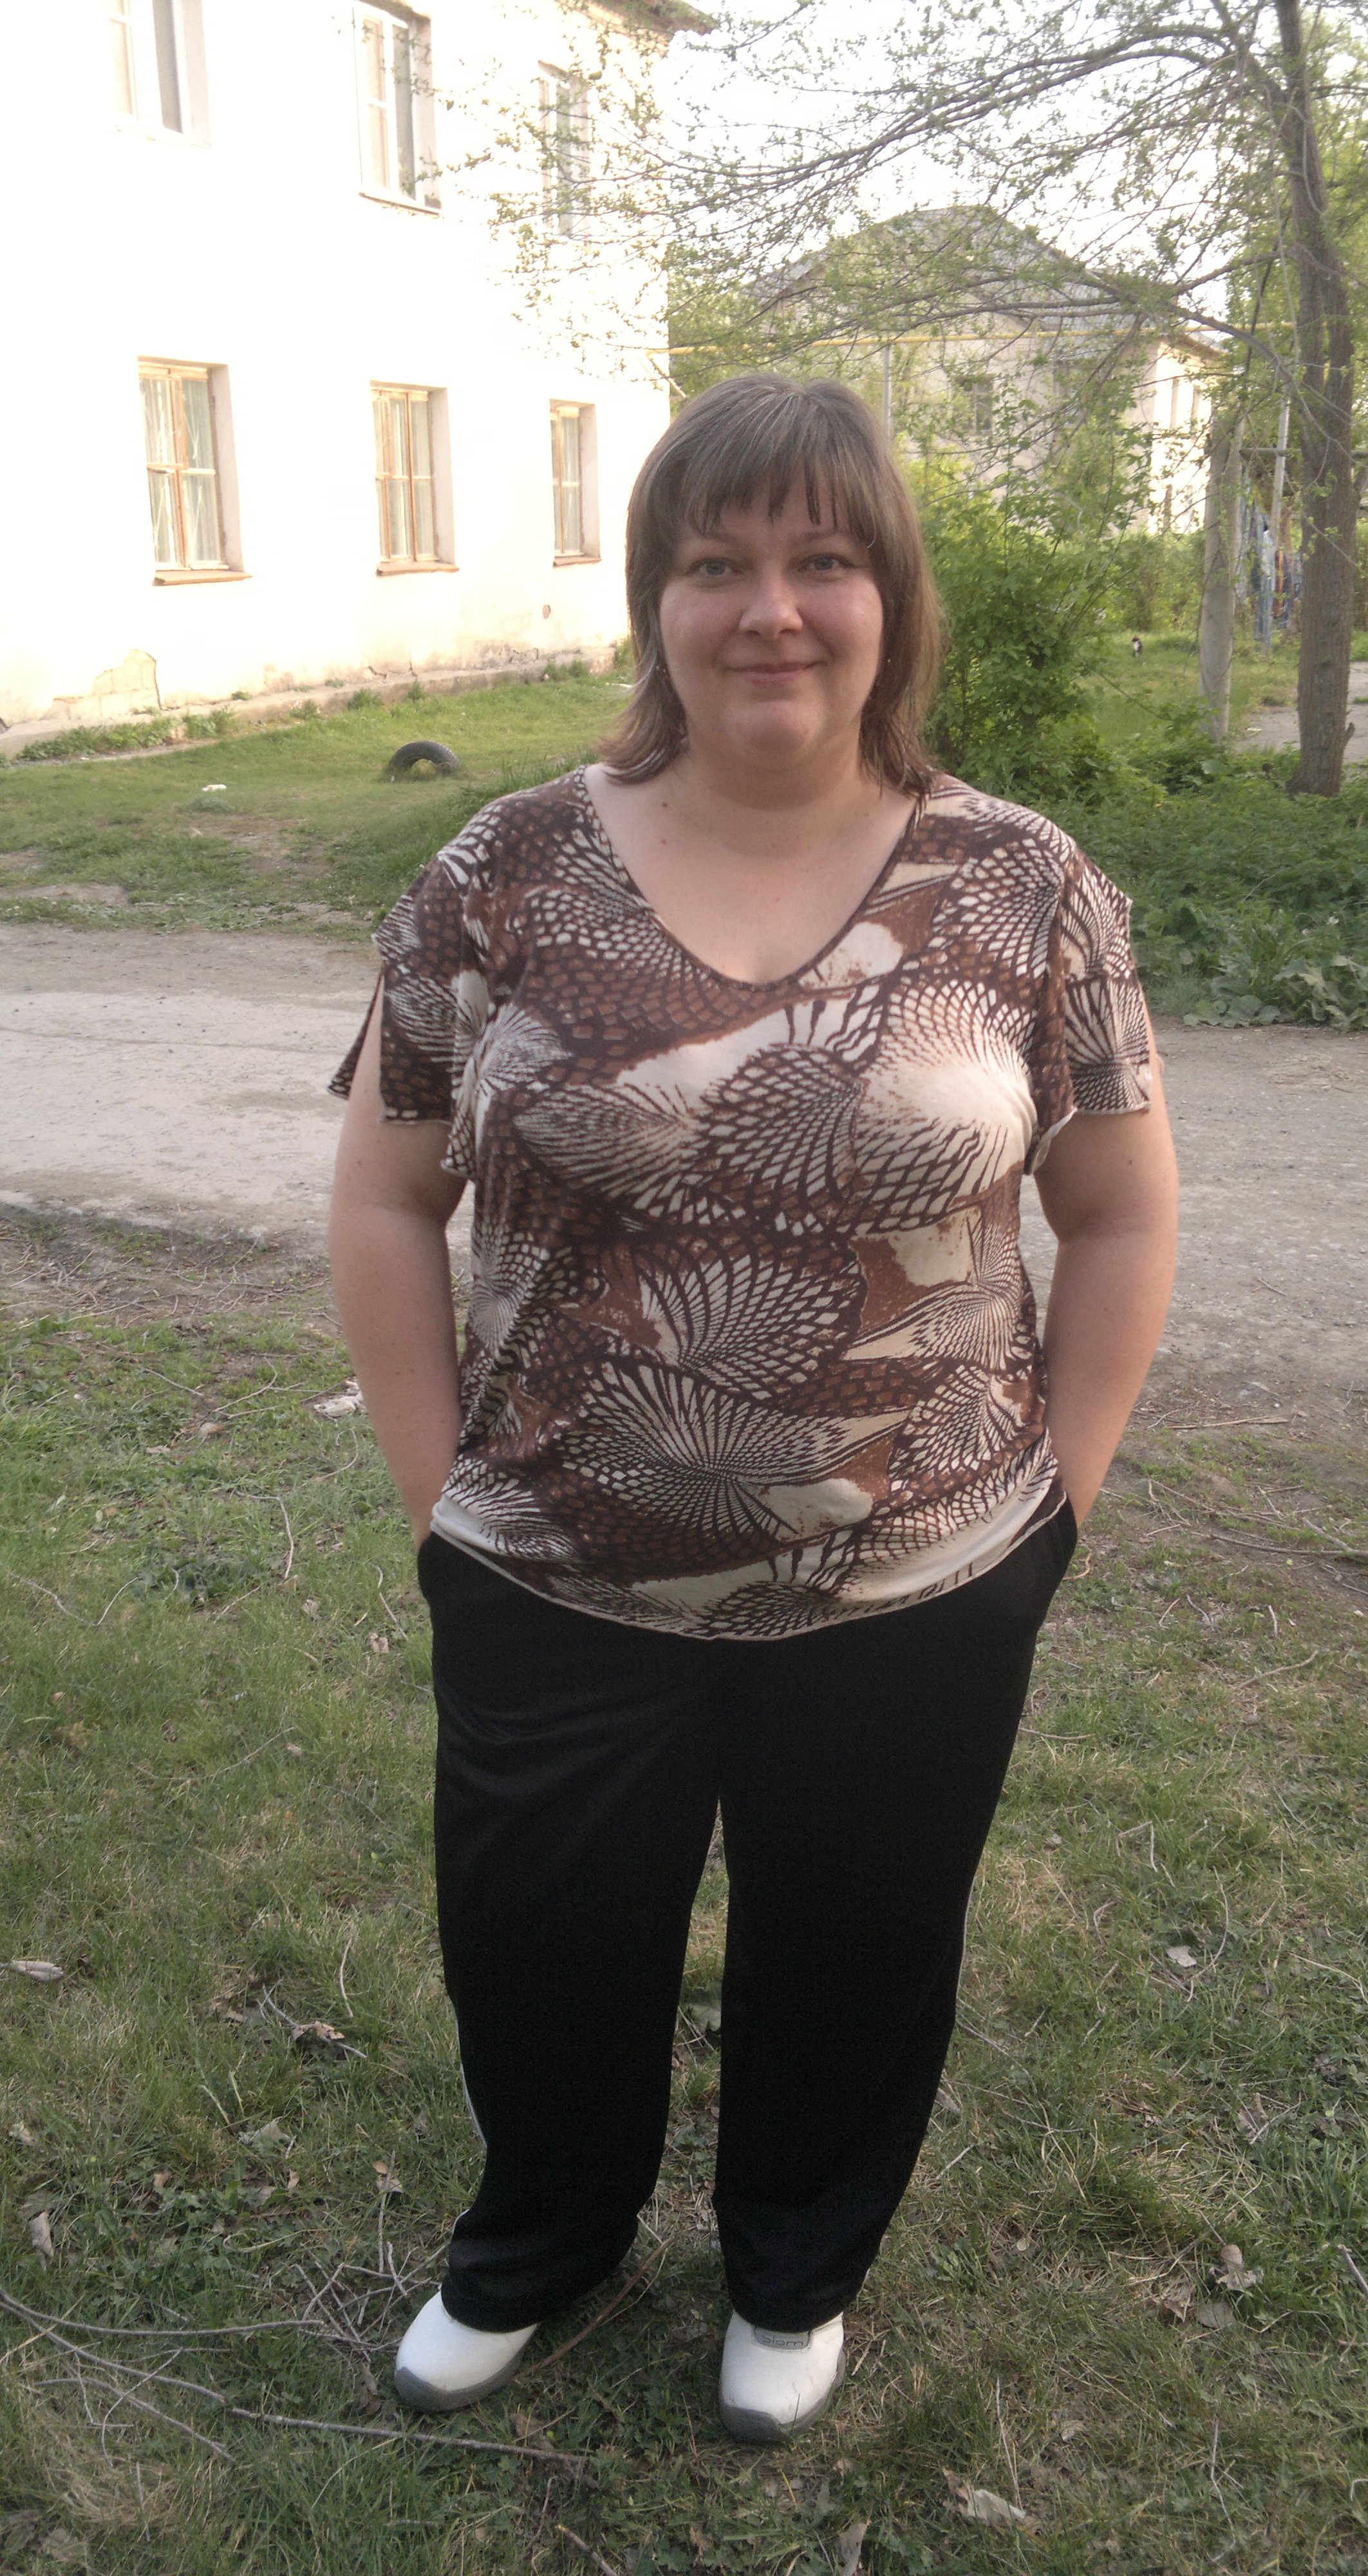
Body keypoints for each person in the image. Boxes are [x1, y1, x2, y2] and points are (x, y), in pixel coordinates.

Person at [328, 374, 1177, 2443]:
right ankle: (541, 2243)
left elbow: (1122, 1210)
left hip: (924, 1580)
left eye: (823, 560)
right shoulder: (503, 869)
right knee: (538, 1939)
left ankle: (795, 2269)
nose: (770, 609)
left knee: (861, 1943)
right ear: (657, 601)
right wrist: (442, 1500)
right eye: (717, 564)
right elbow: (382, 1191)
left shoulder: (1023, 882)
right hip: (549, 1566)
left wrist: (1055, 1506)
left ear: (892, 599)